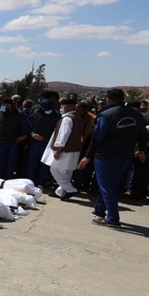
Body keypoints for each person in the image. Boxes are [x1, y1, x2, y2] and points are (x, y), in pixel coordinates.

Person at [78, 89, 147, 227]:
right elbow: (143, 134)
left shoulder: (106, 115)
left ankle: (112, 218)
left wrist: (87, 156)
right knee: (111, 184)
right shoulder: (136, 115)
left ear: (109, 99)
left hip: (106, 155)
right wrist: (141, 150)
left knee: (106, 186)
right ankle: (99, 210)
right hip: (126, 155)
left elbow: (97, 138)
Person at [41, 98, 84, 200]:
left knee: (55, 169)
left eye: (62, 106)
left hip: (65, 150)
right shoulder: (77, 117)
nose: (60, 108)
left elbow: (63, 135)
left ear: (67, 107)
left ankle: (70, 189)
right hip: (74, 149)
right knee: (66, 172)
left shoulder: (67, 119)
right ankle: (61, 192)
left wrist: (58, 149)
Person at [0, 97, 31, 179]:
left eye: (4, 105)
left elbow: (27, 128)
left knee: (11, 163)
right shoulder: (0, 113)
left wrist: (24, 137)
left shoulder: (19, 114)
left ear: (10, 105)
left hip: (13, 143)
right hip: (1, 142)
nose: (2, 107)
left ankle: (8, 180)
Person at [26, 92, 60, 188]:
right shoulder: (36, 112)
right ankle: (29, 181)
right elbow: (29, 125)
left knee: (44, 165)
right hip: (35, 143)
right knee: (32, 163)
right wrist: (32, 134)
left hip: (48, 144)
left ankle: (41, 183)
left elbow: (57, 131)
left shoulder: (56, 115)